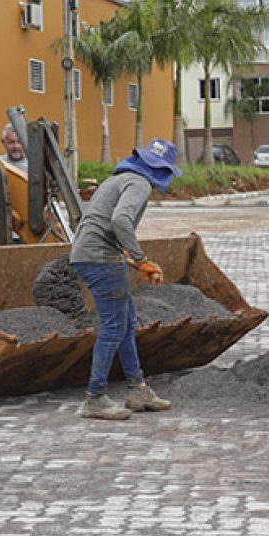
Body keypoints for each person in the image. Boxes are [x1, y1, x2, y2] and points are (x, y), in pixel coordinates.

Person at [68, 138, 182, 420]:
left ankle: (138, 389)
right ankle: (95, 398)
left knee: (125, 322)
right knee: (114, 326)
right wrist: (141, 258)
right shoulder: (140, 184)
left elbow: (101, 223)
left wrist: (130, 260)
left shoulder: (118, 179)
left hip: (90, 254)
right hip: (100, 259)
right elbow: (119, 221)